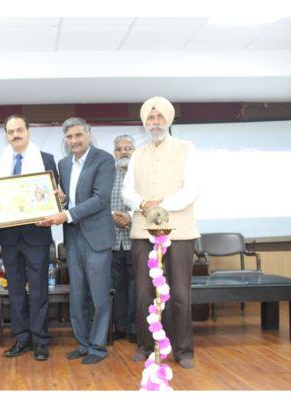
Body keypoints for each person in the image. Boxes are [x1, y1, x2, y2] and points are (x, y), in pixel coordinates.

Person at [122, 96, 200, 369]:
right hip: (143, 229)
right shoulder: (137, 154)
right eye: (150, 118)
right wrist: (143, 203)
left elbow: (191, 190)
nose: (155, 122)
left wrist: (161, 205)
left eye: (159, 117)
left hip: (179, 229)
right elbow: (127, 191)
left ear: (169, 119)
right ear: (145, 123)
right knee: (144, 292)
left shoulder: (186, 148)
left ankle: (183, 350)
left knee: (180, 292)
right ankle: (145, 346)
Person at [38, 117, 116, 364]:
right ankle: (83, 343)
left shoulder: (104, 160)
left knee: (99, 296)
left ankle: (98, 347)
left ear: (89, 135)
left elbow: (100, 199)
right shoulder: (64, 164)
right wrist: (61, 202)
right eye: (69, 137)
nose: (74, 140)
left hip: (97, 237)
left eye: (78, 135)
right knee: (77, 294)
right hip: (72, 236)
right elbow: (70, 200)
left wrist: (66, 214)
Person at [0, 114, 58, 361]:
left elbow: (55, 196)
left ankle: (40, 340)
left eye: (20, 130)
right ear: (6, 135)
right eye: (11, 131)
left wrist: (57, 200)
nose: (15, 135)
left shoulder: (46, 159)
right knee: (15, 290)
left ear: (28, 132)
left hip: (36, 234)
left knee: (39, 290)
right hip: (8, 236)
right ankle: (21, 338)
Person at [110, 135, 137, 343]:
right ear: (114, 153)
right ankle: (120, 327)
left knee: (137, 286)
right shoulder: (107, 174)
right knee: (117, 286)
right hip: (112, 240)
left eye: (128, 148)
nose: (124, 152)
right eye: (119, 149)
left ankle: (135, 329)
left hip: (136, 238)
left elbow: (149, 203)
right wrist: (115, 217)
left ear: (134, 151)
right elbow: (100, 202)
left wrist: (129, 218)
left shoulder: (140, 174)